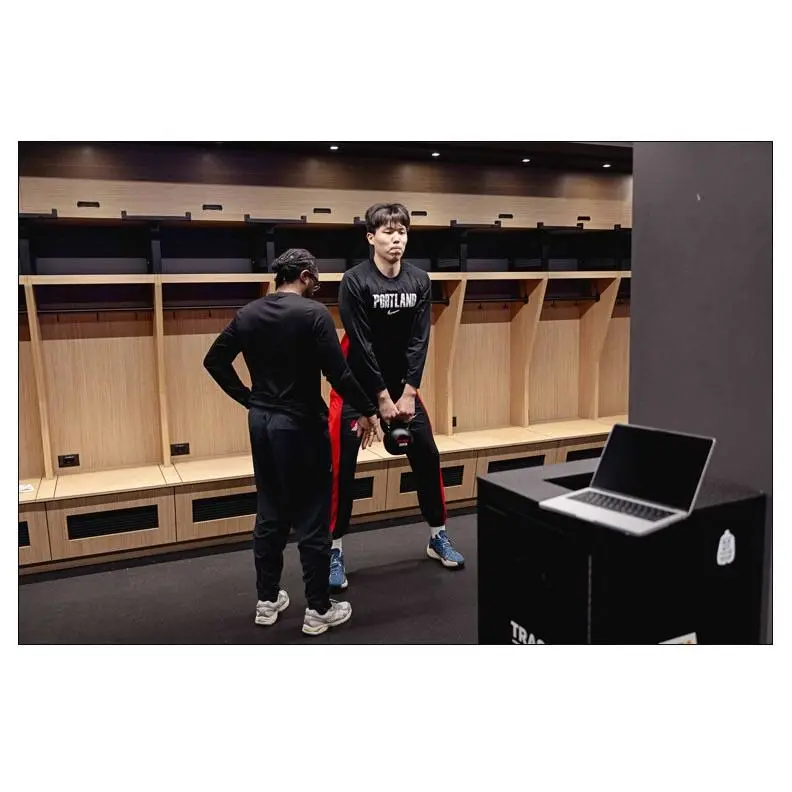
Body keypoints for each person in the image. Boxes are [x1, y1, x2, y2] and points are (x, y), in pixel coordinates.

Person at [203, 249, 380, 636]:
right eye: (314, 279)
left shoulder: (248, 313)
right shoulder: (313, 314)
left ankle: (267, 601)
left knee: (270, 511)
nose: (316, 286)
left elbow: (214, 361)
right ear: (304, 276)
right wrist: (369, 410)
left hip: (262, 424)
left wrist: (249, 398)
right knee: (313, 517)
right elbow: (339, 374)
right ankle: (318, 609)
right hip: (301, 425)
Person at [328, 202, 465, 591]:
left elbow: (420, 339)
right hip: (356, 385)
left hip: (402, 388)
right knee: (339, 467)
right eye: (388, 232)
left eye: (402, 231)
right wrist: (379, 401)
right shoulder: (355, 281)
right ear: (371, 237)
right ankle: (332, 549)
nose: (396, 239)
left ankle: (437, 535)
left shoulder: (419, 280)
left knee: (428, 455)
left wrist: (408, 392)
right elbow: (361, 344)